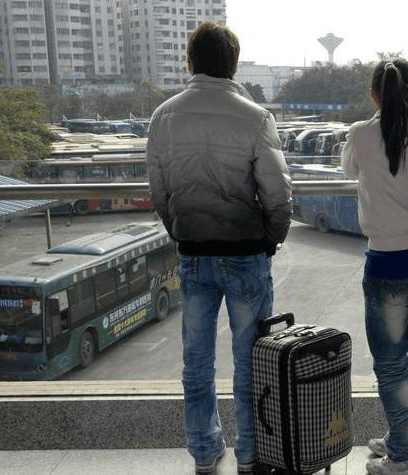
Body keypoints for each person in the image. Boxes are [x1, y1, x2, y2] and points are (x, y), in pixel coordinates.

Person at [146, 21, 292, 475]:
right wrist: (272, 238)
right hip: (246, 254)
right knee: (250, 362)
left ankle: (205, 452)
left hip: (193, 254)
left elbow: (159, 193)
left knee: (196, 362)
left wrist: (181, 232)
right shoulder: (256, 118)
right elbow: (278, 195)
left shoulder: (163, 117)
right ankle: (250, 454)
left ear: (190, 60)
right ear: (233, 63)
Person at [341, 58, 408, 475]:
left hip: (388, 265)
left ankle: (405, 454)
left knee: (390, 365)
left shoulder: (361, 134)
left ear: (374, 95)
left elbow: (348, 169)